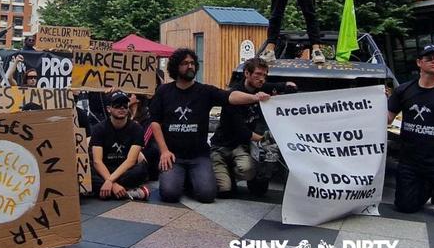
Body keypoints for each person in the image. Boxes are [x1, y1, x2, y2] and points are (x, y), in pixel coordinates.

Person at [150, 48, 270, 204]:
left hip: (198, 156)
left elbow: (231, 96)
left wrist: (255, 97)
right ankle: (180, 178)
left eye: (192, 63)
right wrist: (164, 151)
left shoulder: (204, 91)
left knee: (207, 195)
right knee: (169, 194)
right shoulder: (164, 91)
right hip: (173, 155)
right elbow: (155, 122)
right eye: (185, 63)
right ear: (175, 67)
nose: (190, 66)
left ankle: (189, 178)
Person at [211, 57, 295, 197]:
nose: (262, 79)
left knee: (248, 172)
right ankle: (220, 171)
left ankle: (234, 173)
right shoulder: (235, 94)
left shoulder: (260, 86)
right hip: (222, 146)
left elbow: (279, 86)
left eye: (265, 75)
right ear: (247, 73)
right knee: (225, 191)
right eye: (258, 74)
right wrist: (265, 139)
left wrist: (288, 85)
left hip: (240, 147)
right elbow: (242, 131)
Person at [387, 44, 434, 219]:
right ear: (419, 62)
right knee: (405, 207)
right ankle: (427, 187)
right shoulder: (403, 90)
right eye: (429, 58)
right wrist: (375, 100)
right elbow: (387, 118)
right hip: (410, 162)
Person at [90, 91, 150, 200]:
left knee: (141, 169)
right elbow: (97, 161)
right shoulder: (99, 129)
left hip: (125, 170)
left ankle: (106, 191)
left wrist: (109, 181)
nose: (122, 108)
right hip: (105, 168)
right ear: (109, 109)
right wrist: (112, 183)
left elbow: (131, 160)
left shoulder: (137, 129)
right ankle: (128, 192)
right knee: (87, 174)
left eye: (125, 105)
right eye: (117, 105)